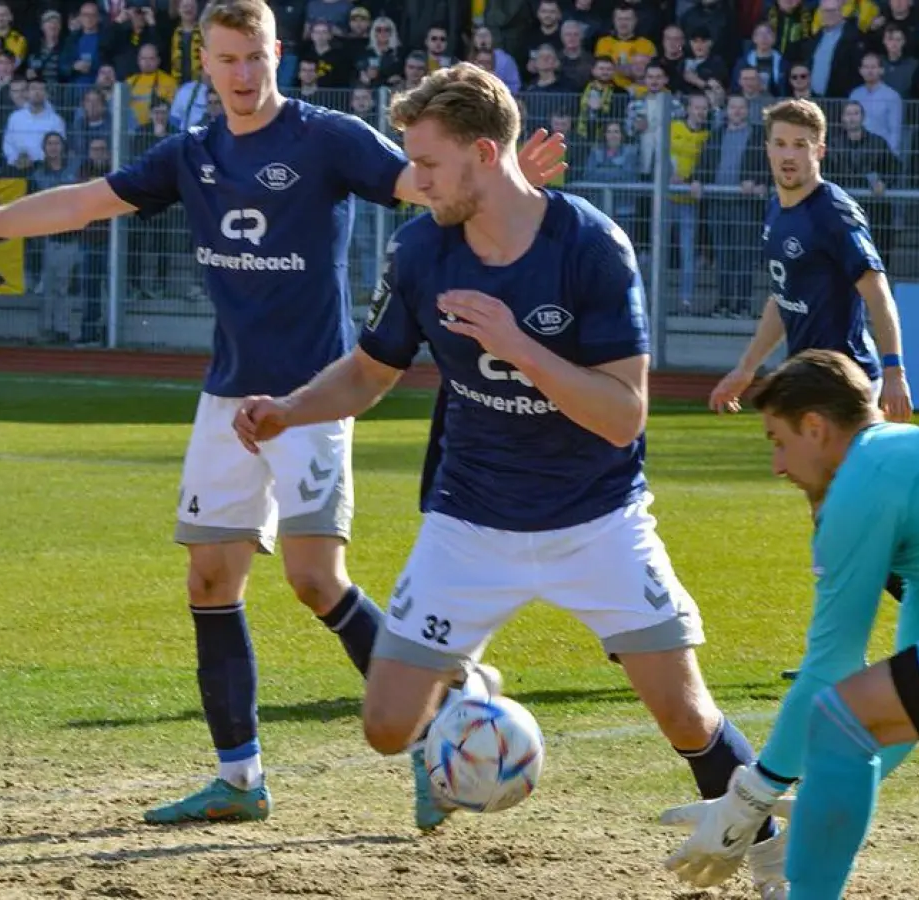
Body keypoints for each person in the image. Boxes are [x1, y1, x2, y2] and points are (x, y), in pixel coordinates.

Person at [0, 0, 565, 827]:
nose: (244, 74)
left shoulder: (327, 138)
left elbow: (424, 188)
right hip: (228, 399)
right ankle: (240, 780)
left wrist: (504, 184)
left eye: (255, 56)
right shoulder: (193, 153)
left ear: (277, 52)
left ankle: (440, 719)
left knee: (314, 579)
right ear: (204, 64)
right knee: (209, 580)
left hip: (313, 397)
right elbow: (81, 203)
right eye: (227, 60)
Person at [233, 63, 786, 898]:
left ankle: (779, 856)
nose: (412, 182)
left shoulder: (592, 247)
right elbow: (371, 371)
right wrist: (290, 409)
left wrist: (520, 342)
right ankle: (471, 683)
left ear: (485, 155)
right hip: (470, 522)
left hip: (596, 520)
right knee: (387, 730)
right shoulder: (421, 247)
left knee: (685, 714)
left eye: (426, 165)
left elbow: (623, 415)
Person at [660, 349, 919, 899]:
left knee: (839, 714)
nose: (778, 467)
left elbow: (829, 670)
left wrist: (750, 797)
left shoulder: (864, 480)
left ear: (815, 427)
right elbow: (903, 705)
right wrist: (824, 797)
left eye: (778, 442)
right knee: (856, 714)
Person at [707, 97, 914, 681]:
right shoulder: (778, 210)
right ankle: (848, 650)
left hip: (845, 389)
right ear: (767, 147)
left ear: (820, 150)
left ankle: (876, 637)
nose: (790, 155)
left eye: (801, 145)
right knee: (837, 525)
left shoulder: (833, 213)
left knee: (850, 525)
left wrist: (893, 370)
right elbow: (781, 297)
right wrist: (747, 368)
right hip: (806, 388)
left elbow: (876, 291)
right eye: (780, 144)